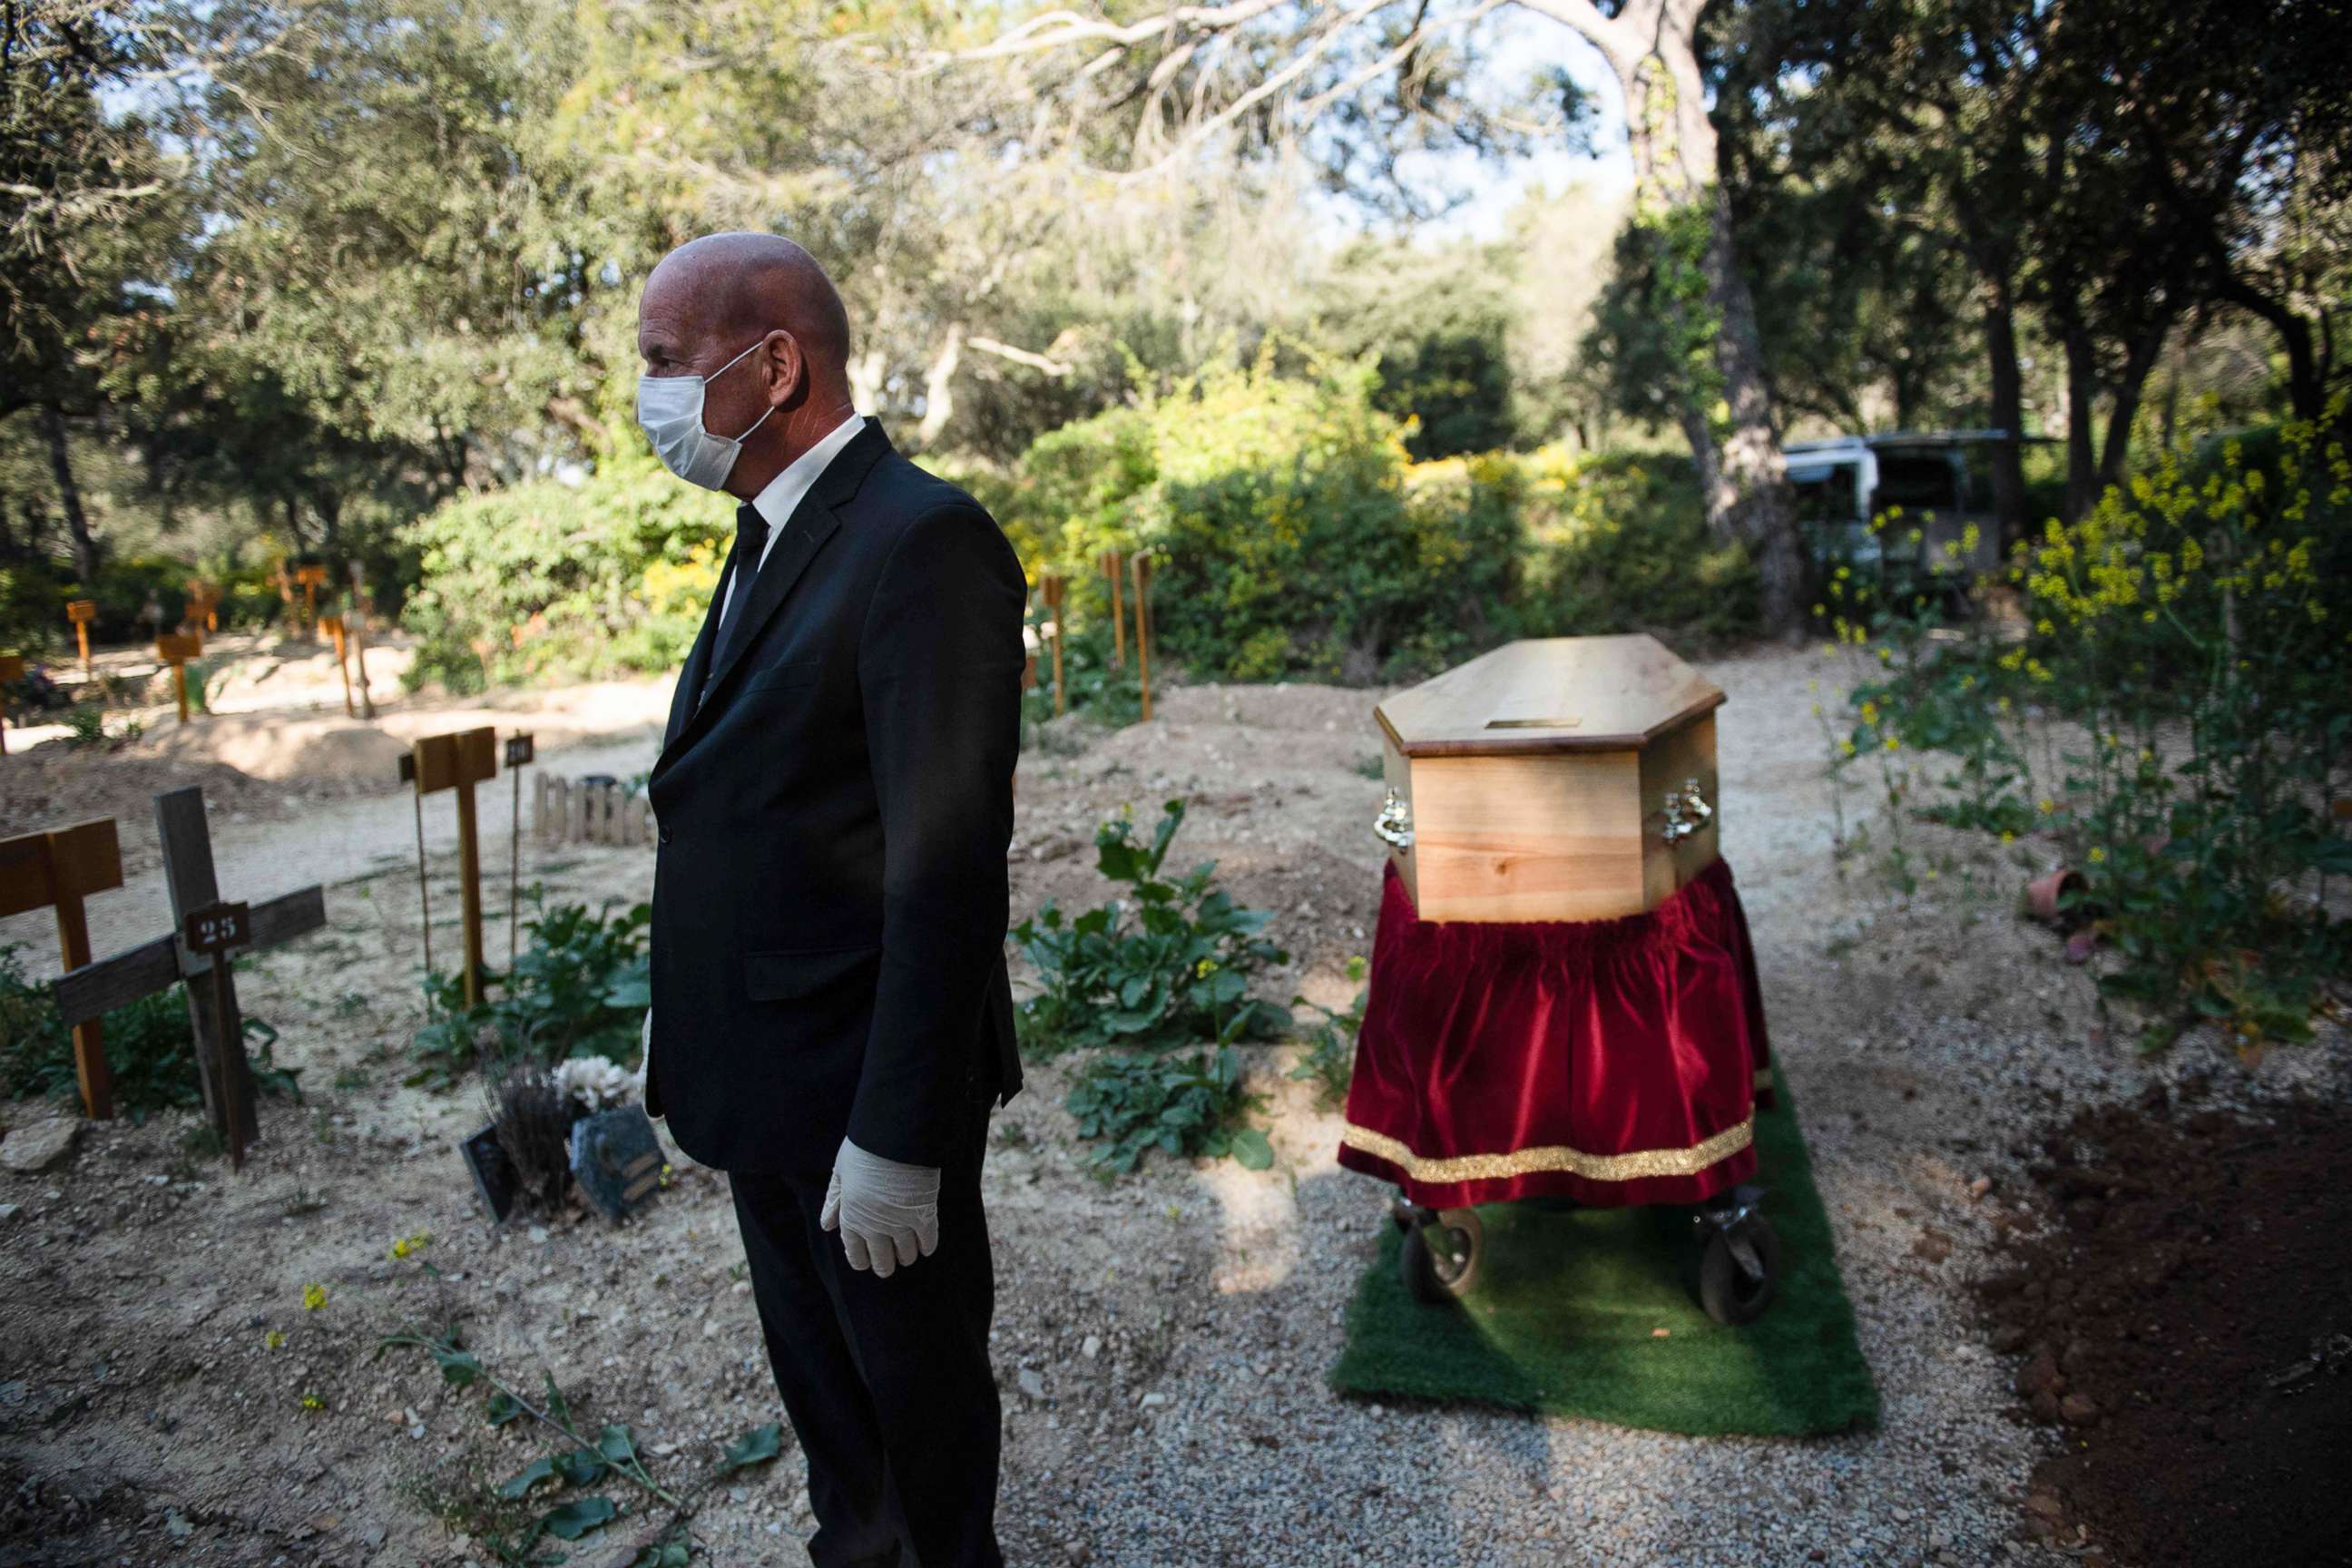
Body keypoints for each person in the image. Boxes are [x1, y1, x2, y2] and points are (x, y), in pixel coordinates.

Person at [632, 231, 1027, 1568]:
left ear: (776, 363)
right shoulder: (768, 537)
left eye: (666, 363)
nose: (651, 396)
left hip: (861, 1098)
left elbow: (950, 865)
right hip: (765, 1083)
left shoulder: (922, 542)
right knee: (839, 1440)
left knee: (915, 1441)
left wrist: (900, 1137)